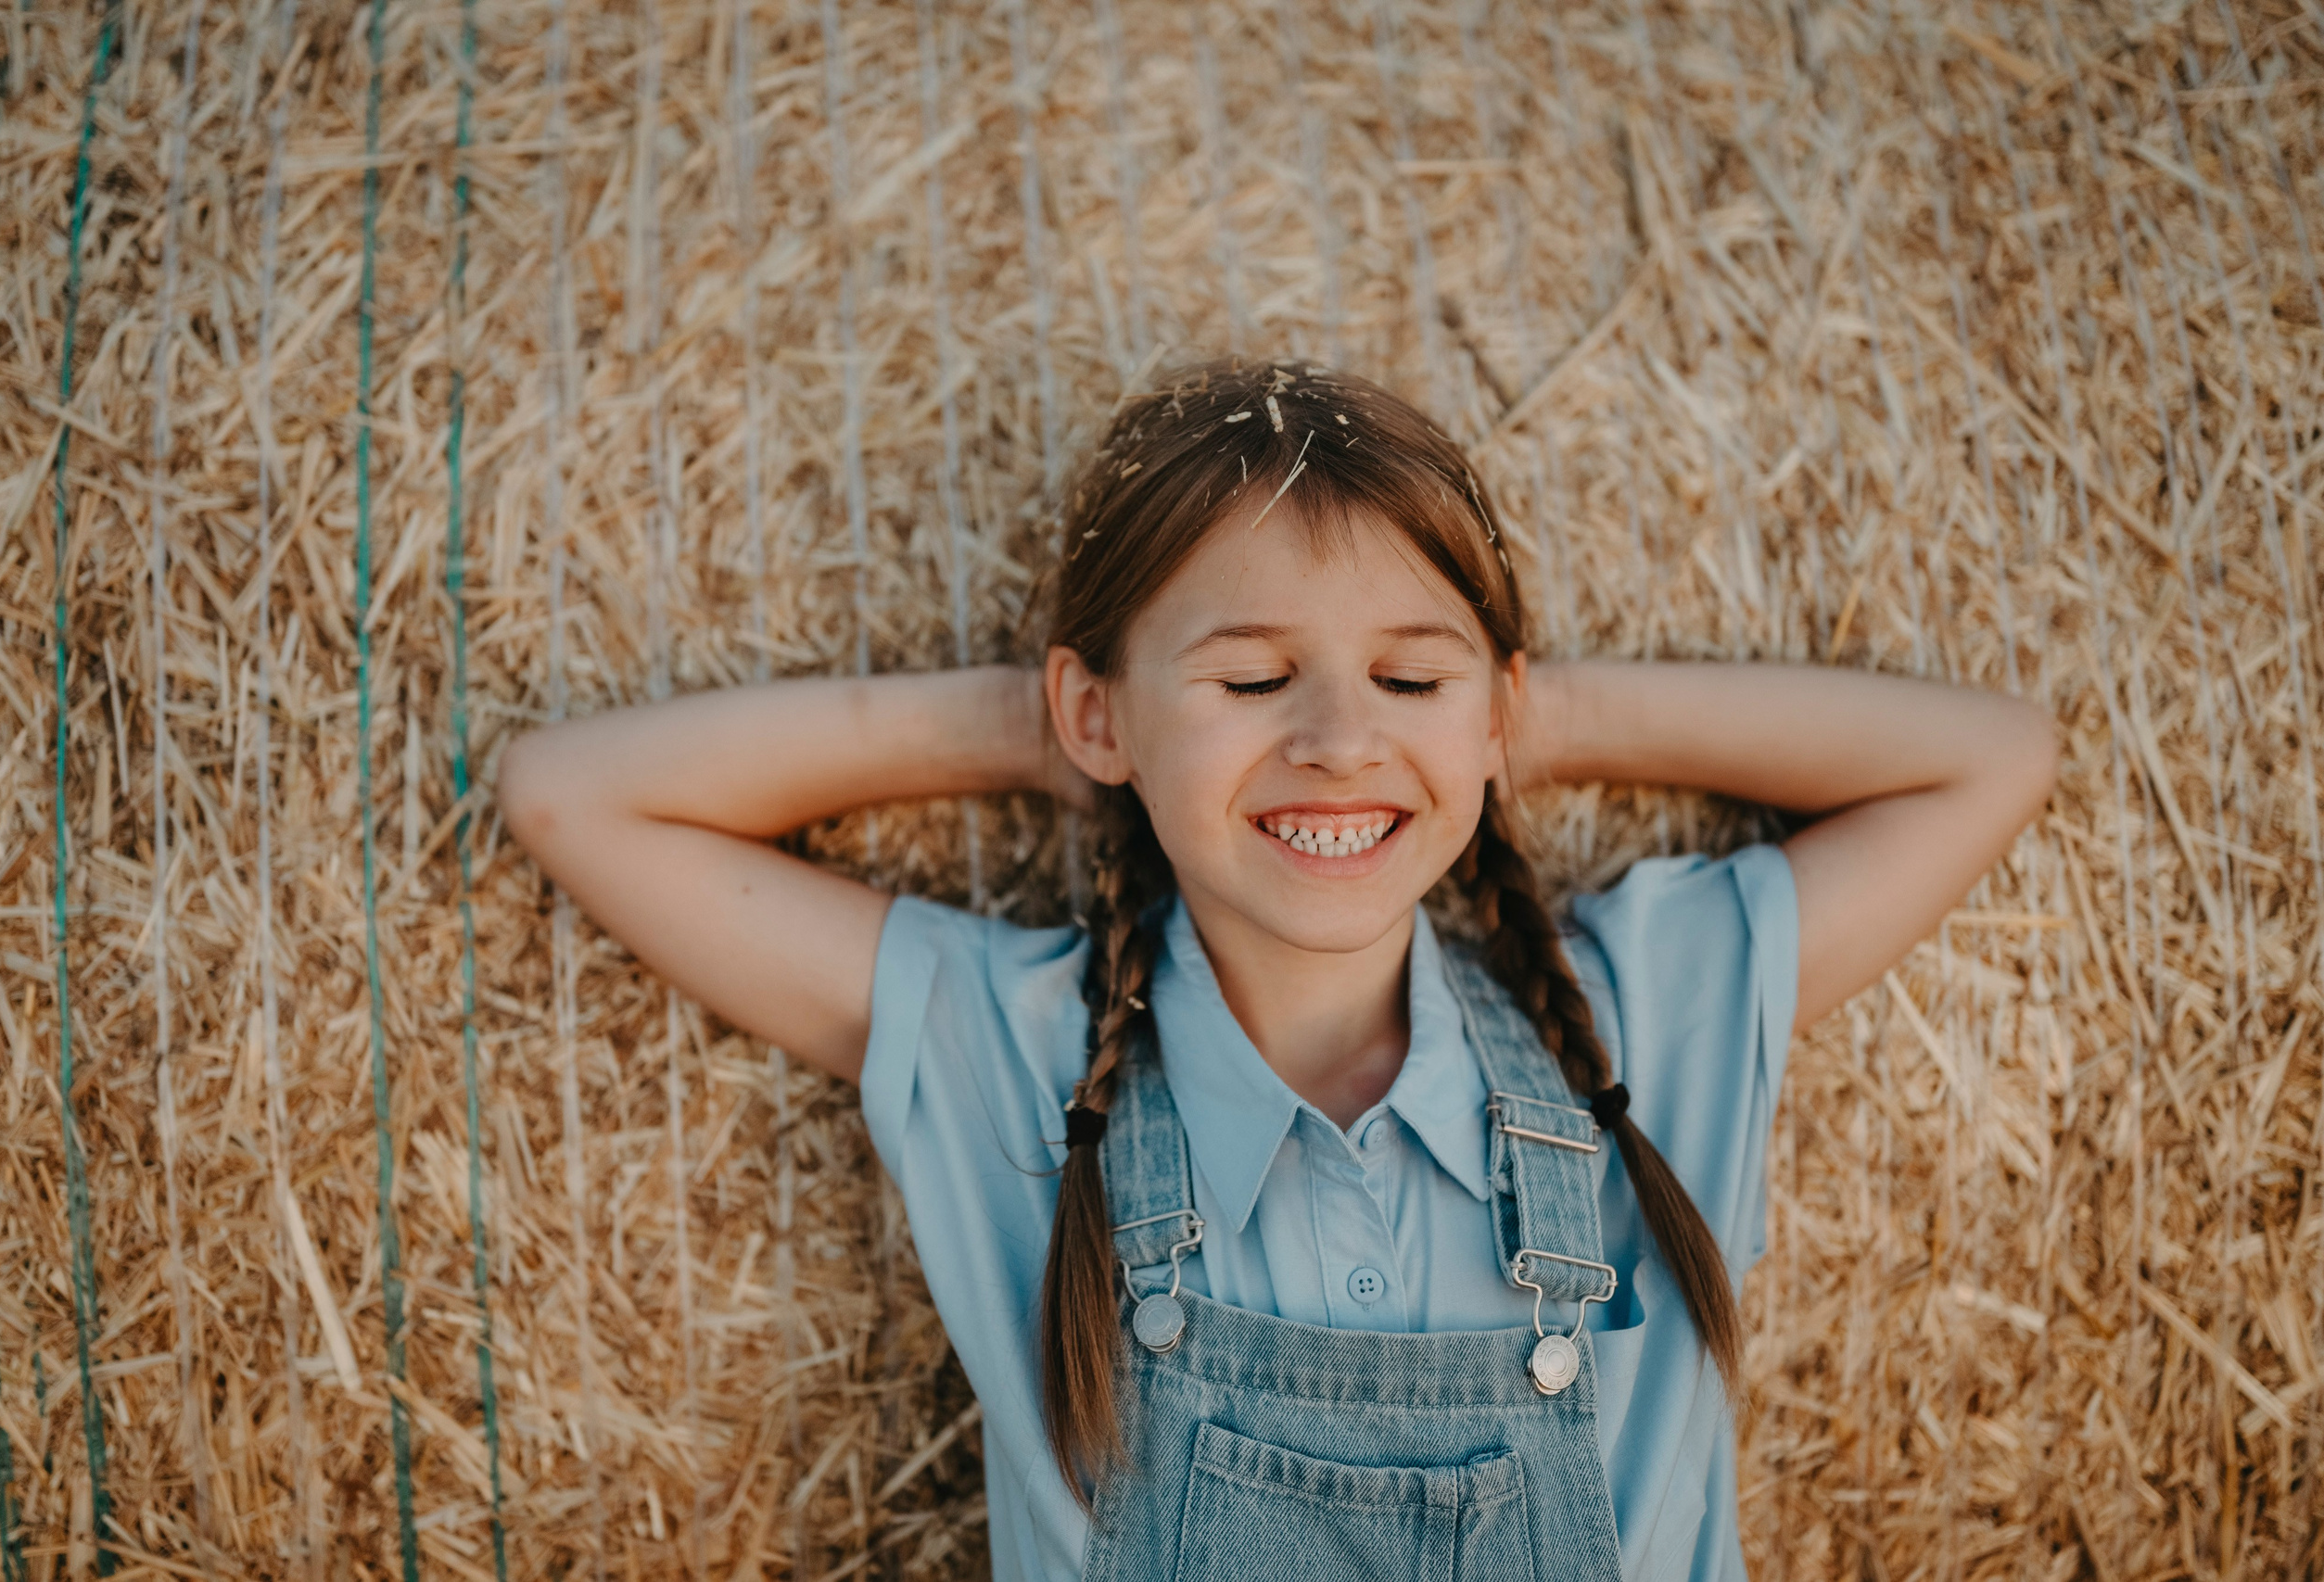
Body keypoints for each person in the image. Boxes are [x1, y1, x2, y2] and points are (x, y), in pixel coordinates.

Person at [498, 355, 2058, 1581]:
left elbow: (1987, 758)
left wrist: (1511, 726)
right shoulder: (1021, 1061)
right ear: (1099, 714)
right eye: (1249, 677)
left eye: (1407, 672)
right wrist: (1055, 733)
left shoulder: (1636, 1028)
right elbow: (579, 797)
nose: (1334, 740)